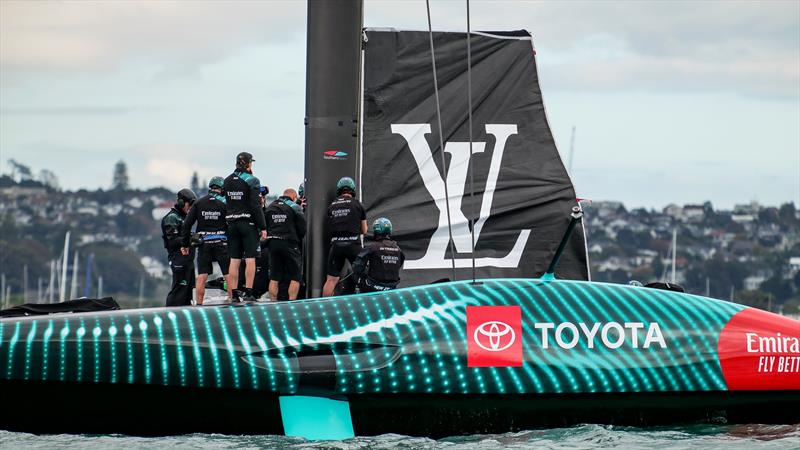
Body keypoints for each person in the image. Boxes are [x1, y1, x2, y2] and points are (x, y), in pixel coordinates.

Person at [223, 152, 267, 302]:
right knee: (250, 259)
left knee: (234, 260)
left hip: (231, 224)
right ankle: (248, 292)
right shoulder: (252, 180)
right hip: (247, 223)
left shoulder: (227, 181)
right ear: (248, 164)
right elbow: (255, 205)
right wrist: (263, 226)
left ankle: (234, 294)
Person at [181, 177, 230, 305]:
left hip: (204, 243)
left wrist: (185, 244)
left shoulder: (199, 203)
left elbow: (186, 225)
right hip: (222, 242)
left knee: (202, 275)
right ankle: (233, 301)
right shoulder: (226, 202)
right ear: (222, 188)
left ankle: (199, 305)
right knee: (228, 274)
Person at [322, 176, 367, 297]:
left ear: (339, 190)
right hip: (353, 244)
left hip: (336, 245)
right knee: (363, 276)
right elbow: (364, 230)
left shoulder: (332, 206)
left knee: (331, 280)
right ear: (353, 190)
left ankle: (325, 308)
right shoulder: (358, 205)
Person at [264, 188, 306, 300]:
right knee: (296, 276)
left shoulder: (271, 206)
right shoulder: (294, 206)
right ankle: (292, 303)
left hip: (272, 243)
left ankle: (273, 303)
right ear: (293, 197)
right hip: (289, 243)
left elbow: (265, 225)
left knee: (274, 277)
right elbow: (303, 228)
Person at [161, 188, 197, 307]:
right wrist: (191, 239)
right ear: (181, 202)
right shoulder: (172, 217)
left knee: (189, 292)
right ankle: (170, 316)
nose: (190, 207)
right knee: (179, 291)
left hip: (188, 260)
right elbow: (172, 240)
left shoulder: (184, 217)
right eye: (189, 204)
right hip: (178, 259)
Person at [354, 218, 405, 293]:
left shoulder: (372, 247)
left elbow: (357, 268)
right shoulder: (398, 249)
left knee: (350, 272)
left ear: (376, 231)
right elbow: (399, 264)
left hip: (373, 285)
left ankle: (345, 300)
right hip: (392, 287)